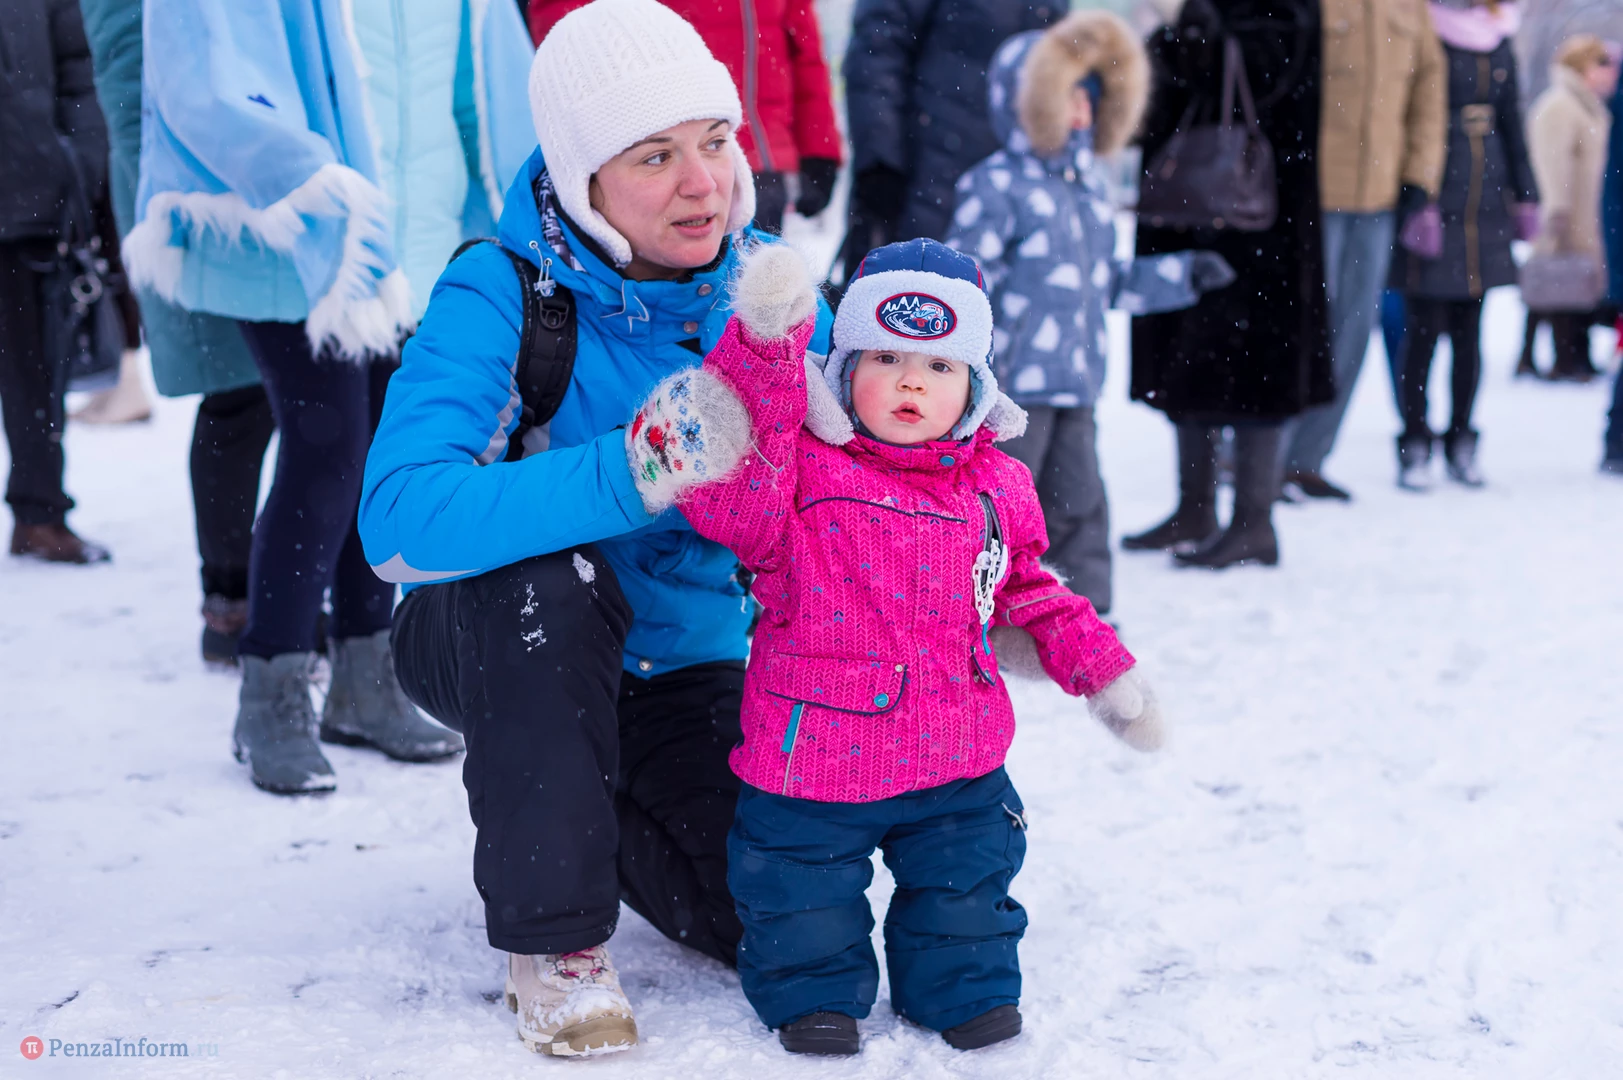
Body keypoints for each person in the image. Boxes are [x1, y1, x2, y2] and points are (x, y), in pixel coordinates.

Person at [360, 0, 835, 1056]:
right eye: (655, 156)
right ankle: (557, 941)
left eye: (715, 139)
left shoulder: (768, 290)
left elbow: (851, 485)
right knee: (551, 582)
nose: (704, 182)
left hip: (685, 658)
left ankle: (569, 793)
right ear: (584, 179)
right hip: (495, 630)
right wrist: (636, 469)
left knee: (771, 921)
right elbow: (396, 523)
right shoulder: (504, 288)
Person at [669, 238, 1163, 1056]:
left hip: (957, 752)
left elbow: (1025, 587)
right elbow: (728, 498)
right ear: (841, 371)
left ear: (975, 385)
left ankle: (960, 989)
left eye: (939, 366)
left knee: (967, 882)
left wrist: (1100, 666)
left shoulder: (997, 485)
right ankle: (815, 997)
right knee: (798, 890)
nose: (910, 383)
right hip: (815, 757)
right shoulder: (797, 470)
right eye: (885, 358)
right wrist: (765, 346)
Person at [127, 0, 464, 794]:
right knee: (327, 450)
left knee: (379, 452)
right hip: (285, 227)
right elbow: (199, 72)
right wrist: (302, 175)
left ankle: (365, 676)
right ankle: (270, 691)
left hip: (391, 234)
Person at [946, 11, 1232, 614]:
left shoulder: (1089, 188)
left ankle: (1085, 615)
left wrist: (1183, 274)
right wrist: (966, 366)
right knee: (1002, 511)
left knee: (1079, 502)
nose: (1083, 106)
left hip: (1076, 383)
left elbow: (1108, 282)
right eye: (1068, 93)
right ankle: (980, 617)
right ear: (1029, 101)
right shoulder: (995, 186)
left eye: (1090, 93)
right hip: (1012, 391)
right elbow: (963, 286)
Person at [1124, 0, 1332, 570]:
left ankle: (1252, 520)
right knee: (1187, 355)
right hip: (1196, 201)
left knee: (1254, 363)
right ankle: (1195, 508)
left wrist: (1182, 38)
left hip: (1255, 214)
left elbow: (1259, 70)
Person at [1280, 0, 1446, 502]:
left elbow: (1428, 88)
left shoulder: (1410, 7)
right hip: (1309, 190)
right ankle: (1262, 457)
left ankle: (1307, 459)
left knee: (1352, 329)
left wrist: (1420, 172)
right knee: (1296, 324)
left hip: (1379, 193)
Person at [528, 0, 844, 233]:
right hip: (654, 159)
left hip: (762, 160)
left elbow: (803, 46)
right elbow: (570, 40)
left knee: (757, 291)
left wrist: (818, 145)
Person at [1388, 0, 1536, 491]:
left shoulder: (1498, 34)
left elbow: (1512, 119)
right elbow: (1406, 114)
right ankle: (1414, 439)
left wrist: (1527, 194)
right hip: (1434, 190)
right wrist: (1415, 196)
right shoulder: (1423, 28)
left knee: (1471, 331)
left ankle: (1462, 438)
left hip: (1487, 197)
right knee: (1423, 330)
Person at [841, 0, 1063, 283]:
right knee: (906, 292)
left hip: (1015, 187)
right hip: (923, 175)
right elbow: (878, 51)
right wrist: (880, 161)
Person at [0, 0, 112, 564]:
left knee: (36, 373)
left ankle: (39, 513)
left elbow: (78, 66)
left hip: (27, 203)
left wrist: (75, 162)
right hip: (28, 193)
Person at [1518, 35, 1618, 383]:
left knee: (1574, 286)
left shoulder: (1588, 105)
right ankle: (1562, 357)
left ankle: (1572, 355)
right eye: (1601, 64)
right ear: (1583, 66)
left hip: (1586, 213)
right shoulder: (1560, 106)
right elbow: (1551, 163)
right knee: (1558, 284)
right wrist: (1556, 210)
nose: (1609, 72)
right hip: (1567, 214)